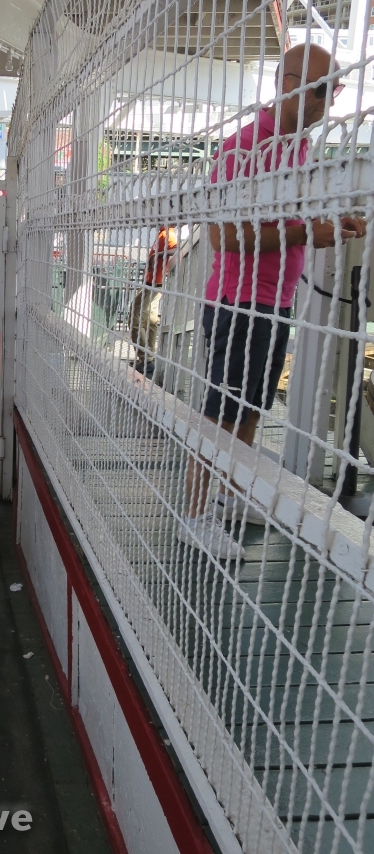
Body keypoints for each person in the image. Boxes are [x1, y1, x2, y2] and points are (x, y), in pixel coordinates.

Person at [181, 43, 366, 558]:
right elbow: (223, 238)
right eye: (314, 89)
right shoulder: (245, 147)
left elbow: (290, 224)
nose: (323, 101)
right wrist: (311, 232)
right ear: (285, 83)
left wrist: (327, 226)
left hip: (273, 301)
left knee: (251, 408)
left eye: (332, 90)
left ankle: (228, 492)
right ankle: (194, 515)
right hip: (239, 302)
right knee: (223, 411)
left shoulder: (300, 150)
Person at [129, 225, 177, 377]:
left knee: (134, 319)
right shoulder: (163, 233)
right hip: (154, 282)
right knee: (150, 320)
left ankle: (146, 358)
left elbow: (177, 249)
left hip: (154, 284)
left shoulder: (168, 234)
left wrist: (157, 255)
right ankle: (147, 359)